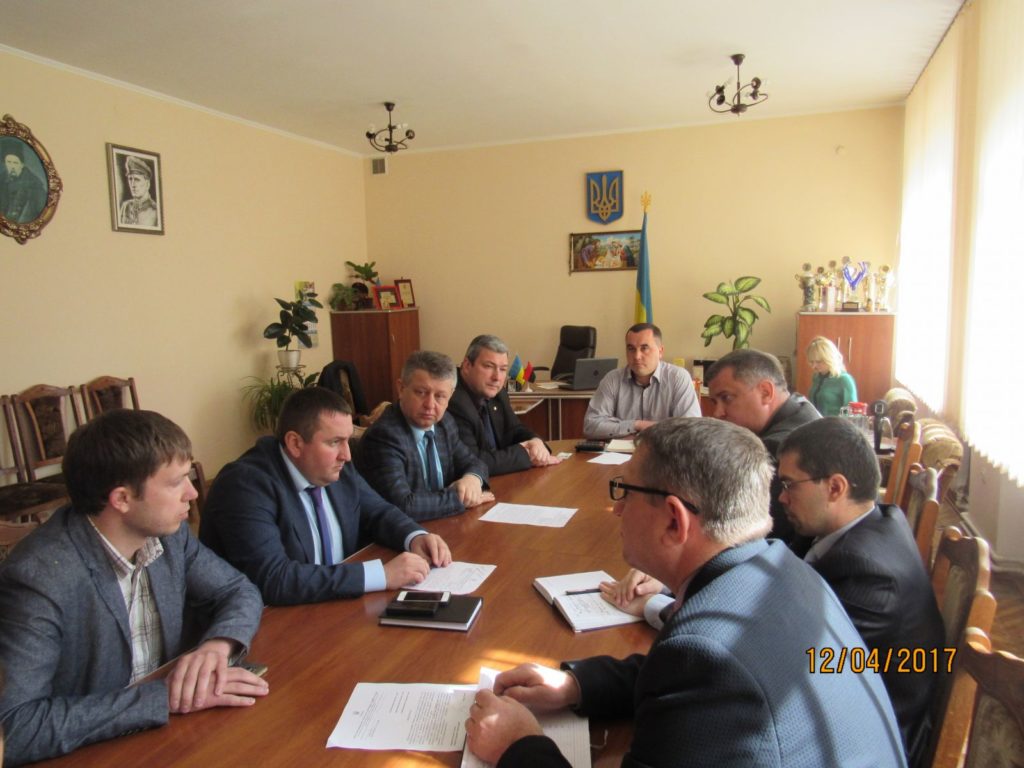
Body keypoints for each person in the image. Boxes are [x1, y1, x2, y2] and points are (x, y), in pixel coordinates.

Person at [464, 418, 906, 768]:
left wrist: (517, 745)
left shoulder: (705, 655)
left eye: (625, 491)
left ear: (675, 520)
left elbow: (704, 670)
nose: (616, 508)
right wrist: (575, 685)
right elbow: (681, 678)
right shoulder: (783, 567)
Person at [0, 410, 267, 765]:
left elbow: (238, 590)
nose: (192, 493)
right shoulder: (38, 577)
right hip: (94, 752)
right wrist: (163, 698)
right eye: (176, 482)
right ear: (122, 499)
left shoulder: (169, 537)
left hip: (173, 738)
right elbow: (15, 728)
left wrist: (216, 647)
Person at [777, 418, 944, 767]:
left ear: (835, 488)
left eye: (790, 485)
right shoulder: (875, 518)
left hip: (869, 744)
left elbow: (795, 664)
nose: (782, 497)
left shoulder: (868, 574)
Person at [200, 387, 451, 606]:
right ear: (295, 443)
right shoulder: (245, 485)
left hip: (336, 606)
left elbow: (378, 511)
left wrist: (415, 537)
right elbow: (273, 578)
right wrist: (380, 575)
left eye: (347, 441)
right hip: (276, 624)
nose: (347, 455)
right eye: (334, 442)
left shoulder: (335, 467)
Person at [358, 351, 493, 521]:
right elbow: (404, 505)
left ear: (450, 395)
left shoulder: (444, 423)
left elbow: (475, 462)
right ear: (401, 388)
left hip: (443, 523)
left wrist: (472, 479)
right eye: (421, 392)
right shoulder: (384, 436)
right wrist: (460, 497)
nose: (430, 405)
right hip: (401, 532)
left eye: (440, 396)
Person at [705, 349, 821, 545]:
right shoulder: (801, 407)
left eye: (727, 398)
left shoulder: (774, 449)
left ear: (766, 392)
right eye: (715, 402)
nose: (717, 413)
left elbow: (742, 531)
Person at [448, 334, 561, 475]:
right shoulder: (452, 399)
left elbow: (515, 429)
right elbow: (474, 462)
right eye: (489, 366)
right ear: (466, 366)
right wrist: (525, 454)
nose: (497, 377)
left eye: (502, 369)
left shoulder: (498, 393)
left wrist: (535, 441)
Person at [582, 323, 700, 439]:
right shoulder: (612, 379)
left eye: (644, 348)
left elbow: (691, 430)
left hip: (664, 450)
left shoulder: (678, 378)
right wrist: (637, 425)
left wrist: (649, 431)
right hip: (619, 451)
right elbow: (590, 426)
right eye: (631, 349)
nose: (637, 356)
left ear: (660, 351)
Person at [806, 336, 858, 416]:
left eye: (818, 362)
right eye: (811, 362)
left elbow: (851, 413)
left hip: (835, 423)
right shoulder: (816, 377)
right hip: (816, 421)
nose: (814, 366)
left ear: (829, 359)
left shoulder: (844, 380)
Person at [1, 141, 46, 223]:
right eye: (9, 162)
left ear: (22, 165)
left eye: (15, 163)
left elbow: (42, 212)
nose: (12, 166)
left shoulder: (34, 183)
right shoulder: (2, 179)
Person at [119, 155, 159, 226]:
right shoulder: (125, 206)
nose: (133, 185)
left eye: (137, 179)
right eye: (130, 179)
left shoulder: (155, 210)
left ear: (147, 184)